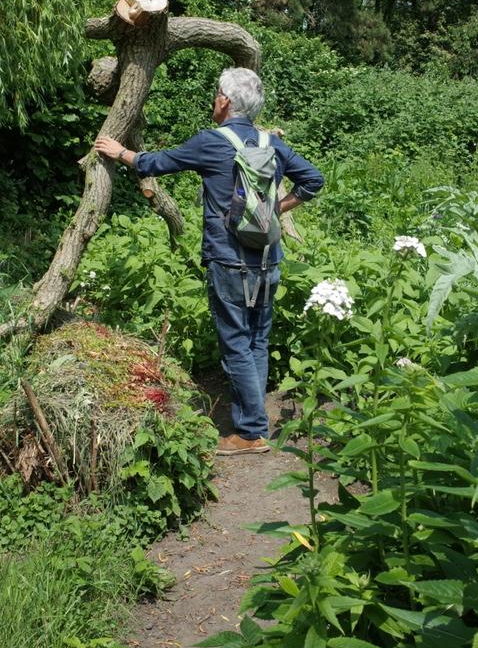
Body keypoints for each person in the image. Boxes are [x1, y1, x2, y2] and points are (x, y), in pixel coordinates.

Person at [94, 67, 325, 456]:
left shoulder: (212, 142)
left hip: (229, 259)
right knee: (256, 339)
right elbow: (313, 181)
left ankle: (251, 432)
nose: (214, 99)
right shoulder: (272, 142)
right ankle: (253, 424)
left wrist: (122, 153)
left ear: (226, 101)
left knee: (235, 341)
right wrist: (274, 210)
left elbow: (157, 163)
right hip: (268, 260)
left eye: (217, 94)